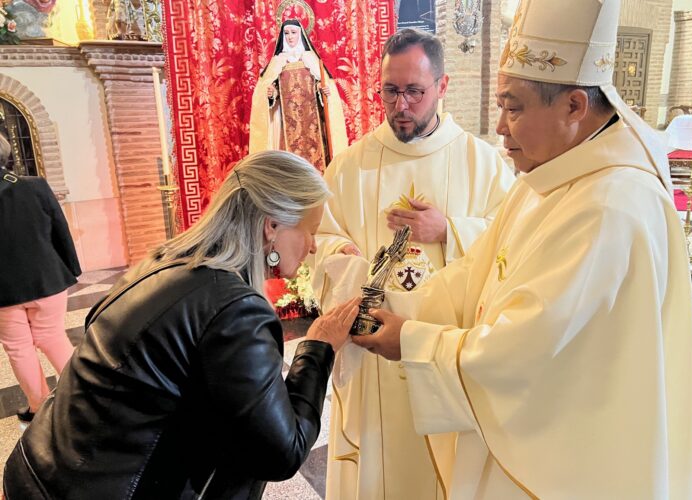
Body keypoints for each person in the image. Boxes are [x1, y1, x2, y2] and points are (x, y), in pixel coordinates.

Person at [353, 1, 692, 498]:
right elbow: (478, 270)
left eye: (513, 107)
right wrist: (397, 305)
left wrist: (410, 341)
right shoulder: (549, 171)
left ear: (575, 106)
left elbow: (521, 349)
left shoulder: (612, 206)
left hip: (565, 452)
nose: (499, 126)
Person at [3, 150, 361, 500]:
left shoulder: (164, 263)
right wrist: (317, 348)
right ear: (272, 225)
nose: (314, 247)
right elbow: (282, 453)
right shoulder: (235, 309)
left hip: (38, 468)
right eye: (310, 231)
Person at [313, 28, 515, 500]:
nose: (400, 105)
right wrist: (341, 255)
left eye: (414, 92)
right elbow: (321, 234)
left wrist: (451, 230)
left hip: (446, 352)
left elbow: (514, 239)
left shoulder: (480, 163)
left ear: (442, 87)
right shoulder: (350, 166)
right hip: (372, 361)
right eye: (390, 90)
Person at [0, 132, 79, 423]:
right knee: (52, 336)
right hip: (47, 279)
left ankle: (38, 408)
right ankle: (82, 397)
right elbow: (60, 230)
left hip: (3, 291)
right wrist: (72, 268)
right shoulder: (34, 186)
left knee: (18, 348)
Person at [249, 19, 348, 173]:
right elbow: (272, 88)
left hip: (312, 121)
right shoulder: (277, 62)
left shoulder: (311, 59)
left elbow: (321, 85)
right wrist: (271, 94)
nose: (290, 37)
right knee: (289, 162)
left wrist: (323, 92)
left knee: (317, 158)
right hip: (287, 123)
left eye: (293, 33)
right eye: (286, 33)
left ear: (300, 34)